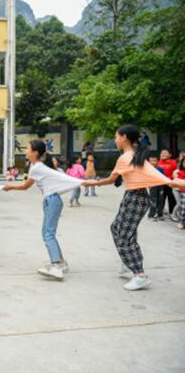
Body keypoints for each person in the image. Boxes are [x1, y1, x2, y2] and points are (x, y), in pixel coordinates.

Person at [83, 125, 172, 291]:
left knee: (124, 235)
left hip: (136, 199)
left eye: (116, 137)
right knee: (117, 228)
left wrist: (91, 182)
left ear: (124, 137)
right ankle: (128, 260)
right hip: (133, 197)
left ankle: (140, 275)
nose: (115, 140)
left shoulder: (126, 157)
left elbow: (110, 179)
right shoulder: (131, 156)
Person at [4, 139, 83, 281]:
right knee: (48, 233)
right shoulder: (37, 166)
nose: (26, 151)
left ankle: (56, 266)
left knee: (48, 234)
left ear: (35, 152)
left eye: (28, 148)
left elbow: (25, 186)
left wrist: (10, 187)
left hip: (52, 200)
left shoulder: (36, 167)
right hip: (51, 200)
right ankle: (61, 262)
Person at [158, 149, 177, 221]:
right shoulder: (158, 162)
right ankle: (160, 212)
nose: (163, 154)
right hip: (161, 184)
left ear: (170, 155)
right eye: (161, 153)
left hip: (171, 184)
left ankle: (172, 213)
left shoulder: (174, 162)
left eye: (165, 153)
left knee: (171, 199)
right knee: (161, 199)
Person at [147, 155, 166, 221]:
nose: (152, 162)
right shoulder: (147, 169)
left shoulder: (160, 168)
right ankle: (151, 215)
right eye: (151, 161)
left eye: (154, 161)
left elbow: (164, 177)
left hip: (160, 186)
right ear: (148, 162)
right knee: (153, 200)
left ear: (157, 162)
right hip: (152, 186)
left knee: (161, 200)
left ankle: (160, 214)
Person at [176, 157, 185, 230]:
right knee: (183, 208)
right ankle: (181, 221)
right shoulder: (181, 172)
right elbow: (177, 182)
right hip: (183, 192)